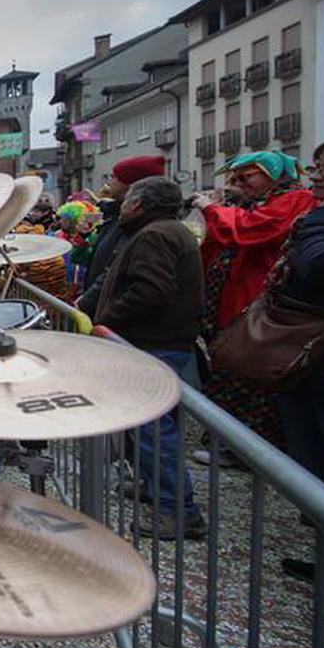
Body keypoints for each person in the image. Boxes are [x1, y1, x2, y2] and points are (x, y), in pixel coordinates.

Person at [95, 177, 207, 540]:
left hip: (153, 343)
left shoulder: (155, 235)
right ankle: (156, 489)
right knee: (153, 427)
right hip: (160, 341)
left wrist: (108, 315)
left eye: (127, 200)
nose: (123, 204)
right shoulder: (165, 230)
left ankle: (177, 509)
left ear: (138, 205)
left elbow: (151, 291)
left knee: (153, 431)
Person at [193, 151, 317, 450]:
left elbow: (248, 230)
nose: (238, 183)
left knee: (249, 380)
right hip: (233, 304)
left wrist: (213, 209)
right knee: (228, 372)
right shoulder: (255, 202)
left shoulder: (295, 200)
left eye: (246, 177)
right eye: (234, 178)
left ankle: (243, 450)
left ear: (272, 175)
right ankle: (228, 443)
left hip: (255, 308)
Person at [273, 139, 324, 586]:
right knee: (318, 473)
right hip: (314, 360)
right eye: (315, 168)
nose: (315, 177)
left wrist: (322, 218)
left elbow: (319, 267)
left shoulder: (322, 222)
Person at [77, 155, 167, 316]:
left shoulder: (138, 225)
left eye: (115, 176)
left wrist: (91, 303)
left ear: (133, 185)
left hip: (113, 316)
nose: (109, 180)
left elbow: (115, 267)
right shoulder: (117, 215)